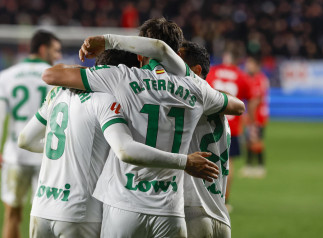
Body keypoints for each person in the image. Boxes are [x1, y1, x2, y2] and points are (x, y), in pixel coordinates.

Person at [43, 17, 245, 238]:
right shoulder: (197, 88)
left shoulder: (122, 77)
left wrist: (94, 61)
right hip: (171, 212)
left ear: (139, 55)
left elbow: (51, 75)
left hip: (124, 205)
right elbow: (237, 106)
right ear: (176, 54)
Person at [18, 49, 219, 237]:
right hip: (79, 213)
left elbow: (25, 140)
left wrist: (73, 148)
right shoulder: (106, 99)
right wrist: (185, 162)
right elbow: (126, 149)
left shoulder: (58, 92)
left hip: (42, 208)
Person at [0, 30, 62, 238]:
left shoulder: (7, 75)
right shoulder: (55, 74)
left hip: (15, 154)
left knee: (12, 214)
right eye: (55, 51)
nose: (58, 56)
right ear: (42, 48)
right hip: (46, 155)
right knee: (46, 218)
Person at [180, 41, 232, 237]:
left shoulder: (187, 100)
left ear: (196, 70)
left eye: (177, 63)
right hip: (220, 214)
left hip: (193, 210)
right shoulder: (218, 106)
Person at [206, 49, 259, 203]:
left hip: (209, 123)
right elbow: (253, 100)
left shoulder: (213, 72)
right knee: (229, 163)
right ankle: (224, 200)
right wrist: (252, 123)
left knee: (206, 160)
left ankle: (207, 199)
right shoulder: (242, 76)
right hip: (232, 127)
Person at [243, 56, 269, 178]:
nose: (248, 66)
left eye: (250, 64)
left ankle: (260, 166)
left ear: (256, 65)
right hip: (251, 115)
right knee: (249, 140)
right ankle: (249, 165)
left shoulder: (260, 79)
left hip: (258, 116)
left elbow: (256, 100)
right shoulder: (250, 78)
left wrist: (251, 117)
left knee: (257, 141)